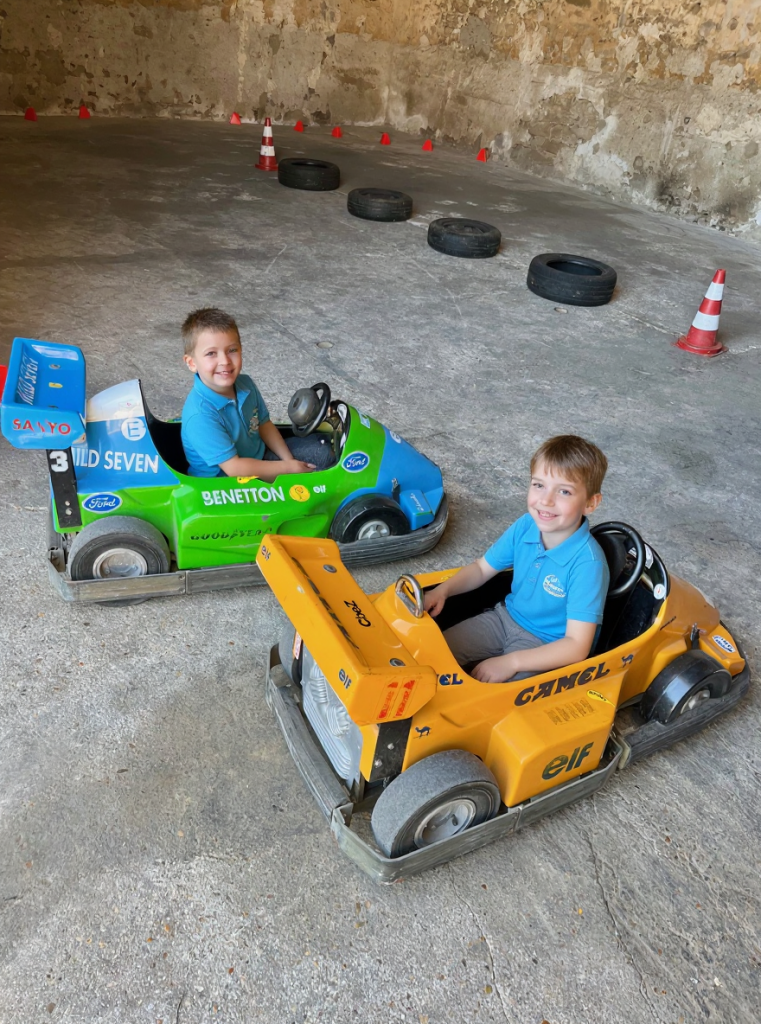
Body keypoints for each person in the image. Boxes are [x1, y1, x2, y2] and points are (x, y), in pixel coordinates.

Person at [424, 435, 610, 683]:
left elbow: (576, 646)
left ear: (590, 503)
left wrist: (511, 662)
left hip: (545, 646)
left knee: (490, 697)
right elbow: (481, 569)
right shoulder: (526, 526)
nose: (546, 500)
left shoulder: (588, 564)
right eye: (538, 485)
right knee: (431, 654)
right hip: (502, 620)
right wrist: (443, 591)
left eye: (564, 491)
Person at [180, 307, 334, 479]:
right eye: (211, 353)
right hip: (224, 484)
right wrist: (287, 469)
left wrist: (289, 461)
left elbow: (264, 424)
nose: (224, 361)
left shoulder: (245, 384)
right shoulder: (200, 415)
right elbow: (234, 468)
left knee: (323, 449)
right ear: (192, 362)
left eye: (232, 350)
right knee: (325, 466)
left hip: (258, 458)